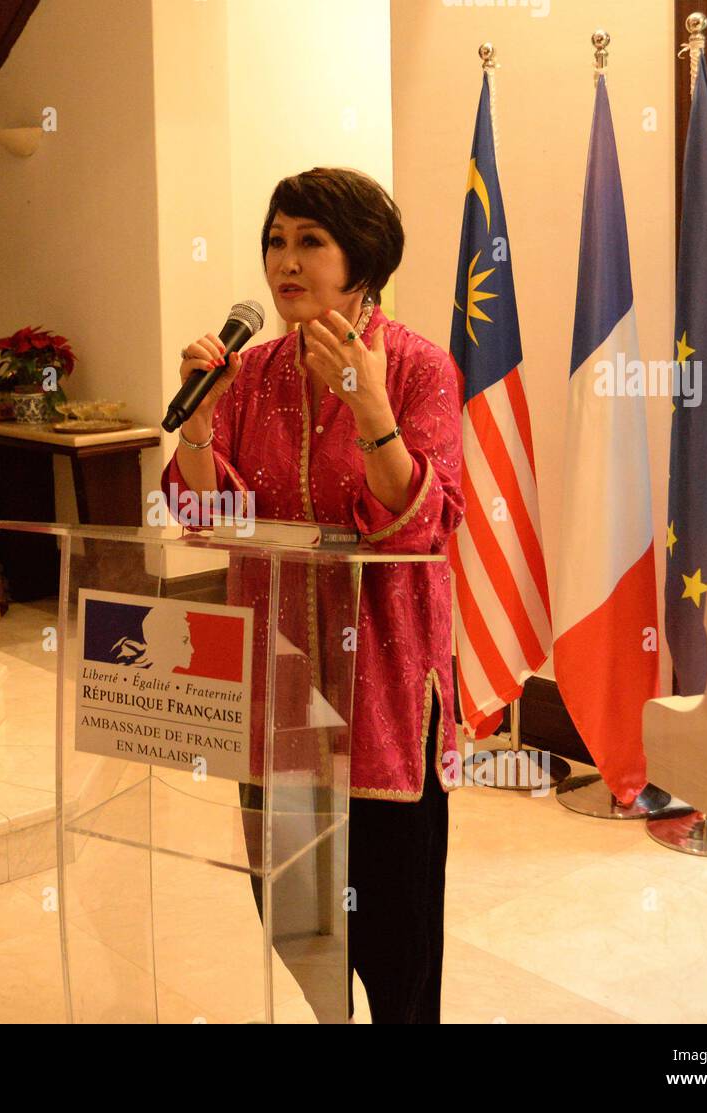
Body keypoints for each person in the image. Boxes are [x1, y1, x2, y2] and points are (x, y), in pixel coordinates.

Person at [164, 167, 465, 1023]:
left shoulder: (417, 368)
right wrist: (196, 424)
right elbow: (205, 515)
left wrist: (372, 412)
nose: (284, 262)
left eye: (309, 242)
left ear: (361, 259)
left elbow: (422, 527)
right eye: (275, 240)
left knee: (394, 928)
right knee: (293, 910)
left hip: (384, 682)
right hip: (276, 680)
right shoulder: (249, 372)